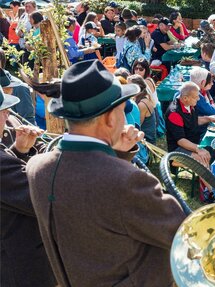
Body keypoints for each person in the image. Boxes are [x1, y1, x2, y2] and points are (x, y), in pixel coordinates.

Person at [25, 60, 186, 286]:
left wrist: (115, 155)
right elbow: (183, 232)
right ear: (110, 118)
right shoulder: (128, 181)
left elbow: (94, 212)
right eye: (122, 111)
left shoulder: (37, 168)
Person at [0, 88, 57, 287]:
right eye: (2, 110)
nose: (8, 115)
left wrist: (19, 151)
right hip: (20, 272)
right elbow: (48, 198)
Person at [165, 82, 215, 166]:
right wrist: (198, 149)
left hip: (192, 142)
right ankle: (209, 178)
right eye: (196, 97)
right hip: (178, 148)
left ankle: (208, 177)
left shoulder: (189, 104)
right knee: (204, 158)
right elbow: (181, 141)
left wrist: (209, 118)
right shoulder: (174, 113)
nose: (198, 99)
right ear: (185, 98)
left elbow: (192, 120)